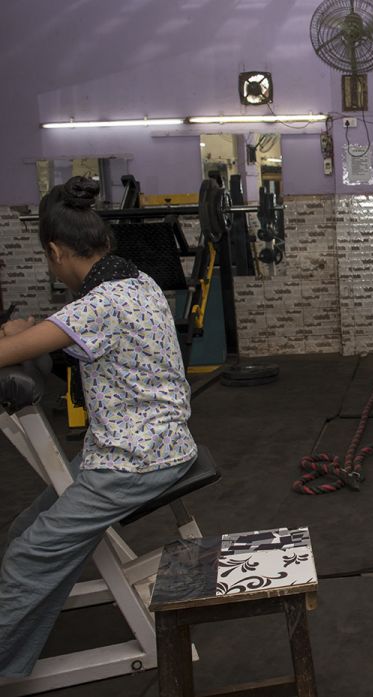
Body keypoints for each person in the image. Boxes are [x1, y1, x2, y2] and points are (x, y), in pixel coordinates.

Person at [0, 176, 197, 677]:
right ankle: (20, 644)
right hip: (152, 445)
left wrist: (19, 334)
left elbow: (13, 348)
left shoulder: (98, 305)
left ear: (55, 251)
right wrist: (29, 327)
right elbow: (59, 327)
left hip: (134, 462)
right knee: (29, 528)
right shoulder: (136, 282)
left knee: (27, 556)